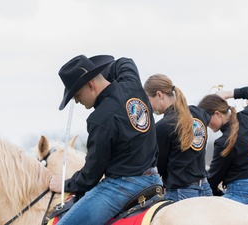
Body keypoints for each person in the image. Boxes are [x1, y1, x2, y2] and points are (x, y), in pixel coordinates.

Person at [49, 54, 163, 225]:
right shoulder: (132, 83)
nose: (77, 101)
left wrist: (66, 185)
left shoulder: (100, 119)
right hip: (154, 178)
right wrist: (96, 73)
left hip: (122, 188)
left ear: (90, 85)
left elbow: (91, 175)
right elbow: (126, 62)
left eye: (77, 95)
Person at [197, 86, 248, 204]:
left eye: (207, 119)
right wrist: (228, 94)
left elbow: (213, 180)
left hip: (244, 191)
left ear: (217, 114)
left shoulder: (222, 142)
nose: (206, 124)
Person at [143, 74, 213, 201]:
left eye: (148, 100)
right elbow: (208, 117)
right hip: (205, 188)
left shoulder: (163, 126)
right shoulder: (198, 113)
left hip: (181, 192)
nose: (149, 106)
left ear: (159, 95)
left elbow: (160, 166)